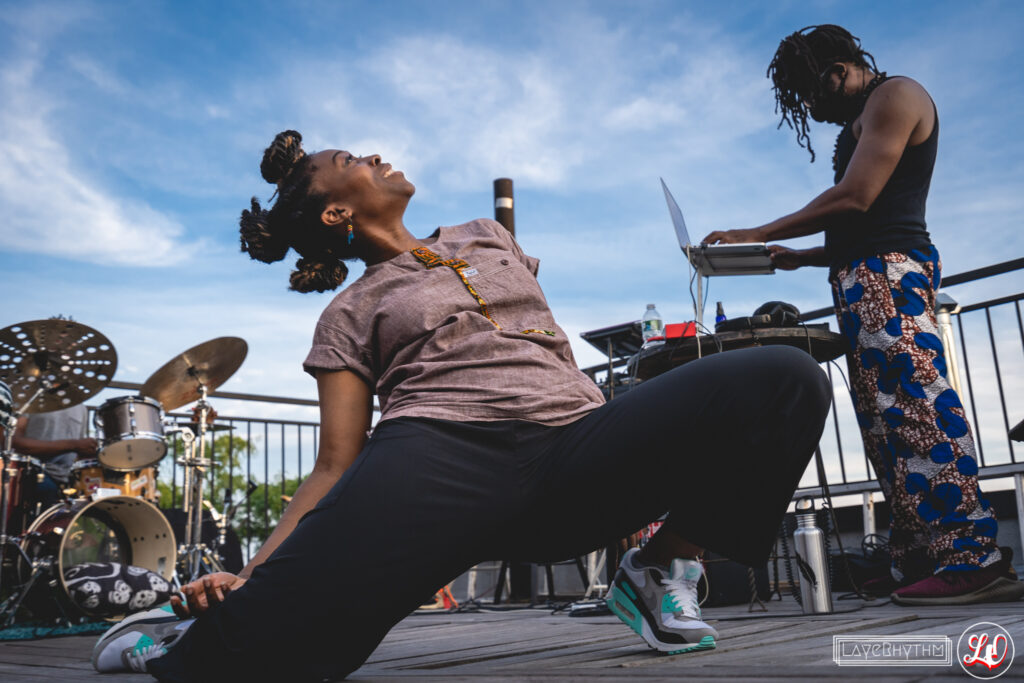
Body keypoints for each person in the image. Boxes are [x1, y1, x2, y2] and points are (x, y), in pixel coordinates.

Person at [92, 130, 831, 680]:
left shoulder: (487, 236)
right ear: (334, 213)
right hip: (441, 453)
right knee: (297, 648)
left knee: (784, 377)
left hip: (576, 445)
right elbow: (334, 463)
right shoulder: (349, 312)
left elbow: (539, 322)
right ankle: (185, 645)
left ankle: (659, 568)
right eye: (351, 162)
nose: (373, 155)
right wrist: (254, 573)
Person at [703, 25, 1023, 606]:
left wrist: (758, 230)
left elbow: (859, 197)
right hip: (861, 275)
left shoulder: (895, 96)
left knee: (919, 408)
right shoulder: (860, 117)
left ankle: (973, 558)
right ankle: (918, 557)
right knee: (883, 426)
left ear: (837, 70)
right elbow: (858, 220)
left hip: (890, 274)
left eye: (813, 94)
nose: (814, 109)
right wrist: (798, 256)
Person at [8, 404, 98, 509]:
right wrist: (73, 445)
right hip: (32, 474)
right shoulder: (31, 396)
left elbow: (80, 450)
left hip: (67, 482)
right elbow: (13, 441)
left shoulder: (81, 407)